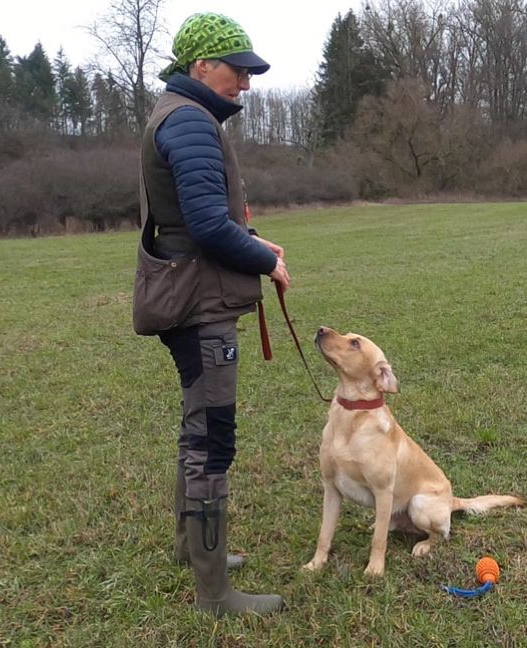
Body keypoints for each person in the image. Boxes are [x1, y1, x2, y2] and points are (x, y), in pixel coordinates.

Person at [139, 12, 290, 616]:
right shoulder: (192, 123)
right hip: (201, 305)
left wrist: (252, 241)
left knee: (195, 426)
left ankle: (191, 549)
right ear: (202, 66)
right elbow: (205, 225)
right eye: (239, 70)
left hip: (186, 295)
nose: (246, 84)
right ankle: (214, 593)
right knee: (211, 440)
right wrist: (264, 259)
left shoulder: (176, 114)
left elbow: (196, 216)